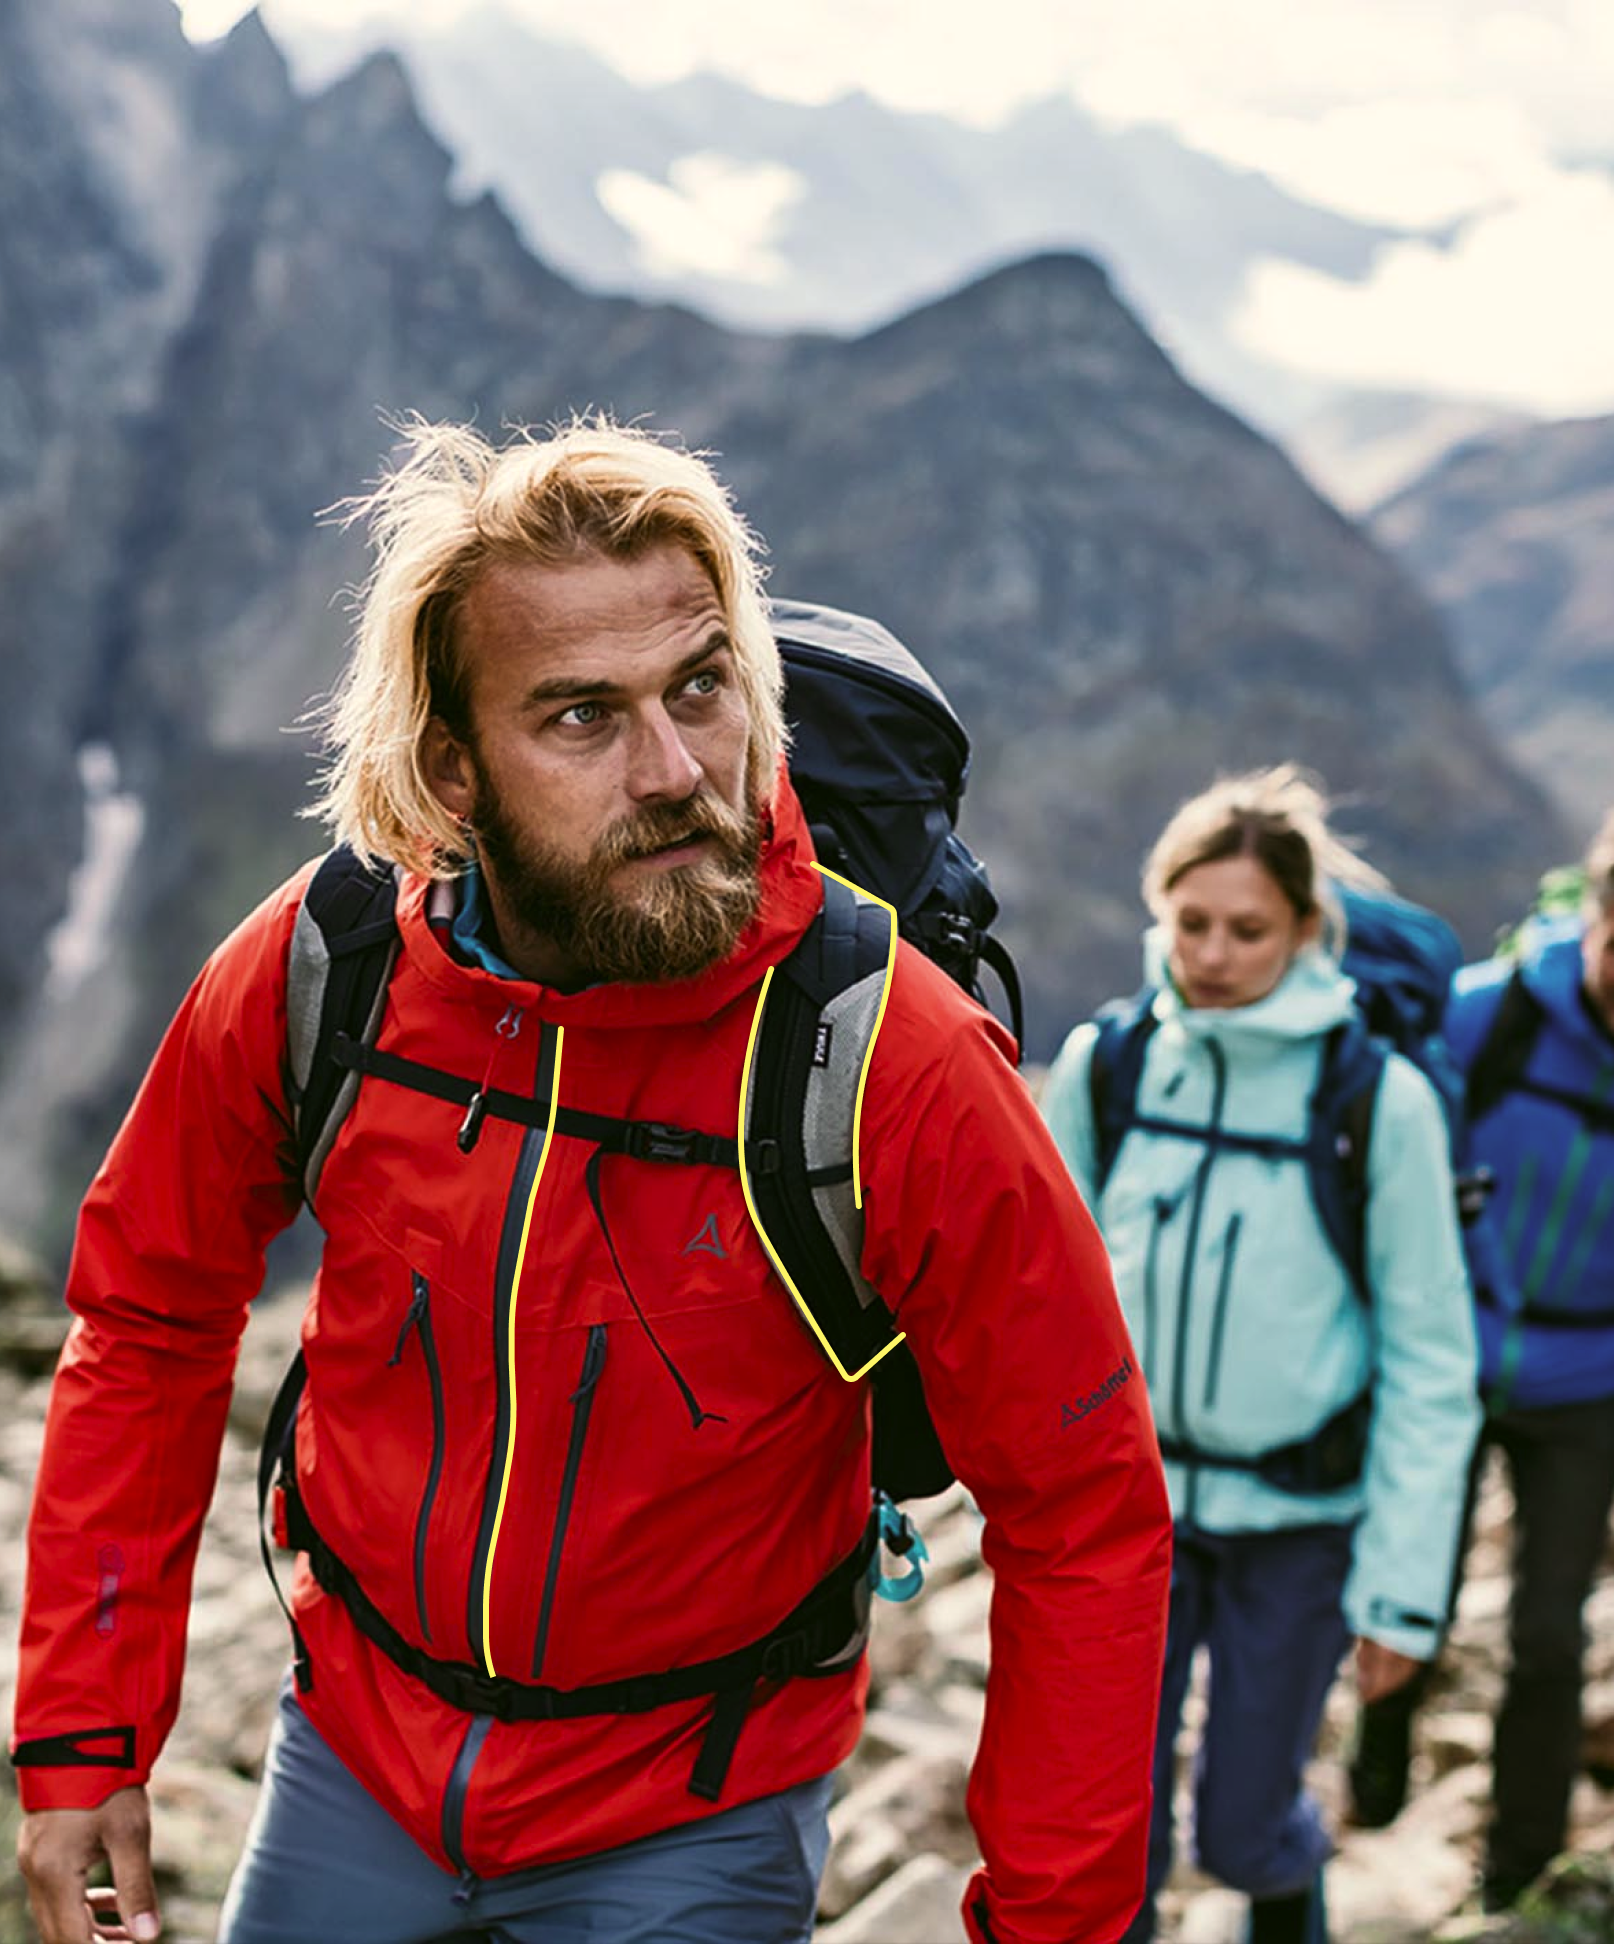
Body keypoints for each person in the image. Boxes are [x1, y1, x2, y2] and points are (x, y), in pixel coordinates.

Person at [11, 416, 1171, 1944]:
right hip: (354, 1761)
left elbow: (1081, 1510)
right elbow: (151, 1314)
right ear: (449, 769)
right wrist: (84, 1735)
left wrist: (1049, 1923)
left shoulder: (890, 1055)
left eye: (702, 685)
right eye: (578, 718)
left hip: (690, 1821)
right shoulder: (326, 966)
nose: (678, 769)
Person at [1040, 766, 1480, 1944]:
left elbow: (1434, 1358)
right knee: (1104, 1829)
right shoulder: (1110, 1067)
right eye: (1192, 923)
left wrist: (1403, 1593)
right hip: (1131, 1516)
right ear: (1157, 910)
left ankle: (1286, 1894)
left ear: (1304, 932)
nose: (1214, 955)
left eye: (1249, 930)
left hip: (1301, 1521)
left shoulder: (1371, 1099)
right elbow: (1041, 1300)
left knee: (1240, 1827)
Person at [1348, 805, 1614, 1912]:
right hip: (1449, 1356)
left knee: (1551, 1635)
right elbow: (1385, 1122)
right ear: (1599, 917)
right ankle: (1376, 1780)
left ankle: (1519, 1879)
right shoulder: (1492, 1019)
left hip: (1590, 1382)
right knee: (1416, 1586)